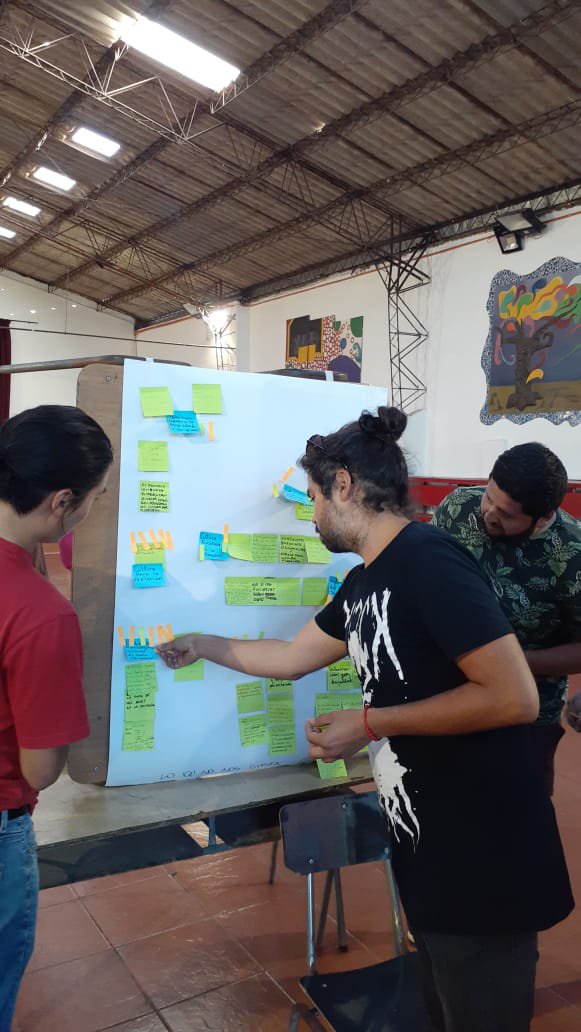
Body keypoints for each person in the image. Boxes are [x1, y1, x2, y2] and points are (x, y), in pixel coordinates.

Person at [157, 407, 573, 1032]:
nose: (312, 513)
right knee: (443, 1008)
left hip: (484, 853)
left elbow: (514, 696)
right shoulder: (363, 583)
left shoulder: (429, 560)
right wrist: (202, 643)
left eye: (314, 497)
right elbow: (292, 658)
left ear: (344, 485)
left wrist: (370, 723)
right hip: (432, 848)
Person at [0, 405, 112, 1030]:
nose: (95, 508)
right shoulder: (40, 615)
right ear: (62, 502)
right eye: (97, 497)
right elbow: (41, 770)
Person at [432, 444, 581, 794]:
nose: (489, 514)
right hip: (442, 696)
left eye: (506, 514)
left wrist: (507, 661)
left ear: (542, 517)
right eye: (489, 497)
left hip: (523, 712)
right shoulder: (458, 509)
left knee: (518, 807)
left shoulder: (572, 554)